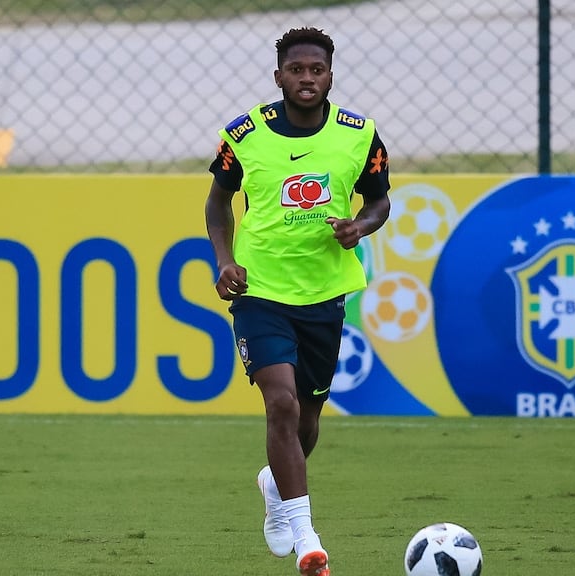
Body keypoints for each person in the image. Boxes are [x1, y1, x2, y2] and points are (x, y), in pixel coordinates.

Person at [204, 26, 391, 576]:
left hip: (324, 293)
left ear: (330, 76)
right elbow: (218, 202)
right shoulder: (244, 134)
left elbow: (380, 203)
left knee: (307, 417)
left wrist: (359, 227)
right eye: (296, 70)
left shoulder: (360, 135)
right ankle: (308, 538)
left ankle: (274, 485)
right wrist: (224, 259)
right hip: (259, 289)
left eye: (316, 70)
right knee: (280, 402)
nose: (306, 79)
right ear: (278, 76)